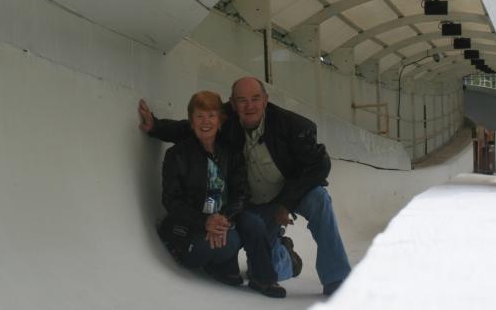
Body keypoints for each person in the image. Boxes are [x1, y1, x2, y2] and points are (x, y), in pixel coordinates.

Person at [140, 77, 351, 297]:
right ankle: (286, 254)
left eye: (255, 99)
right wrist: (156, 126)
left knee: (319, 198)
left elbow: (321, 164)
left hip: (288, 196)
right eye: (241, 100)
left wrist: (286, 204)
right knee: (268, 270)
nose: (249, 106)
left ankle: (336, 277)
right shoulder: (227, 121)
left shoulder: (293, 126)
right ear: (232, 104)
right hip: (254, 206)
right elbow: (195, 126)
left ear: (266, 100)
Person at [157, 91, 252, 290]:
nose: (205, 121)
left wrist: (223, 219)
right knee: (203, 248)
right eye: (199, 116)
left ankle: (284, 257)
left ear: (220, 121)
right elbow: (171, 200)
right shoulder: (176, 155)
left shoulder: (231, 154)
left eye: (211, 115)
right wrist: (205, 221)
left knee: (235, 238)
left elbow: (241, 193)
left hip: (222, 225)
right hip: (189, 227)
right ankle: (215, 261)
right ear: (191, 121)